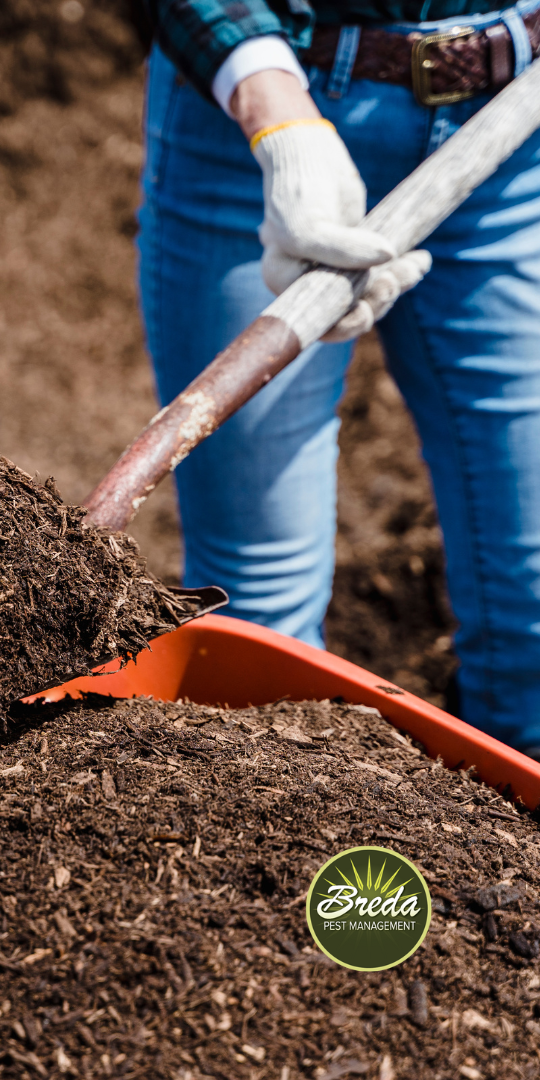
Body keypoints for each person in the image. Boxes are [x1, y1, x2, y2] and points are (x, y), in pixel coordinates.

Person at [137, 0, 540, 752]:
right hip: (259, 123)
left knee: (536, 604)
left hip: (512, 135)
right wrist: (280, 123)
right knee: (259, 617)